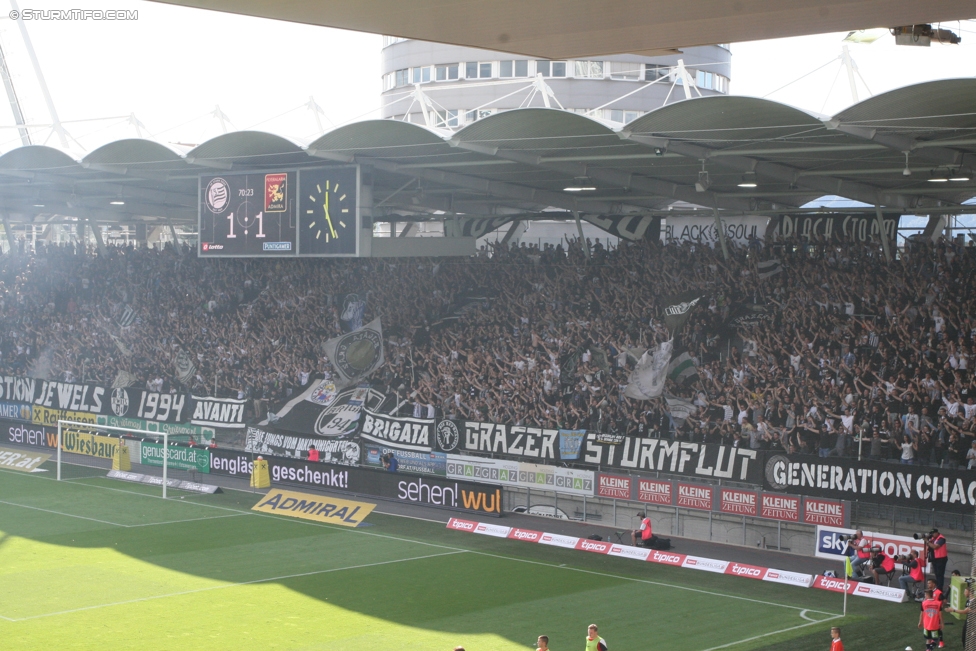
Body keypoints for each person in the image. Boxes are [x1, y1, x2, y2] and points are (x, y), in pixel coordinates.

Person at [926, 529, 949, 593]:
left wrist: (927, 541)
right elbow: (930, 546)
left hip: (941, 559)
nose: (932, 535)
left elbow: (935, 547)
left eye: (933, 533)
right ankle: (938, 587)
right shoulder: (933, 539)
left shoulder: (941, 539)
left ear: (937, 533)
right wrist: (928, 540)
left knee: (940, 575)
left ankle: (940, 589)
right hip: (935, 559)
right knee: (936, 574)